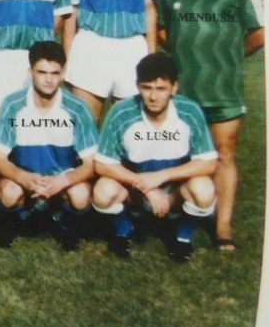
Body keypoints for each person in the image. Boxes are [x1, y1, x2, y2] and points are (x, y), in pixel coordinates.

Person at [158, 0, 263, 253]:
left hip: (223, 89)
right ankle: (179, 215)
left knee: (224, 154)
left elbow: (258, 35)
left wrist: (227, 58)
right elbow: (163, 32)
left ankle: (223, 227)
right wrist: (186, 55)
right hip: (184, 91)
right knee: (181, 154)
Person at [91, 53, 217, 262]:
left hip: (175, 192)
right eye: (147, 88)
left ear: (174, 87)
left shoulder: (190, 111)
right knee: (103, 191)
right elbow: (103, 165)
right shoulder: (121, 112)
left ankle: (183, 235)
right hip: (135, 193)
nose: (153, 96)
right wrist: (146, 186)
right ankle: (124, 229)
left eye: (161, 89)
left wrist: (161, 176)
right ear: (137, 86)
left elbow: (209, 163)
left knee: (204, 189)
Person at [0, 41, 98, 250]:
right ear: (30, 72)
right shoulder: (12, 104)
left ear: (63, 73)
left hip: (61, 178)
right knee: (9, 192)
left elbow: (90, 164)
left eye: (54, 73)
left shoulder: (77, 108)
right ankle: (11, 224)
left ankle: (66, 225)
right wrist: (23, 176)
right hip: (26, 177)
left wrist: (62, 181)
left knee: (80, 195)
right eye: (42, 72)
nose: (49, 80)